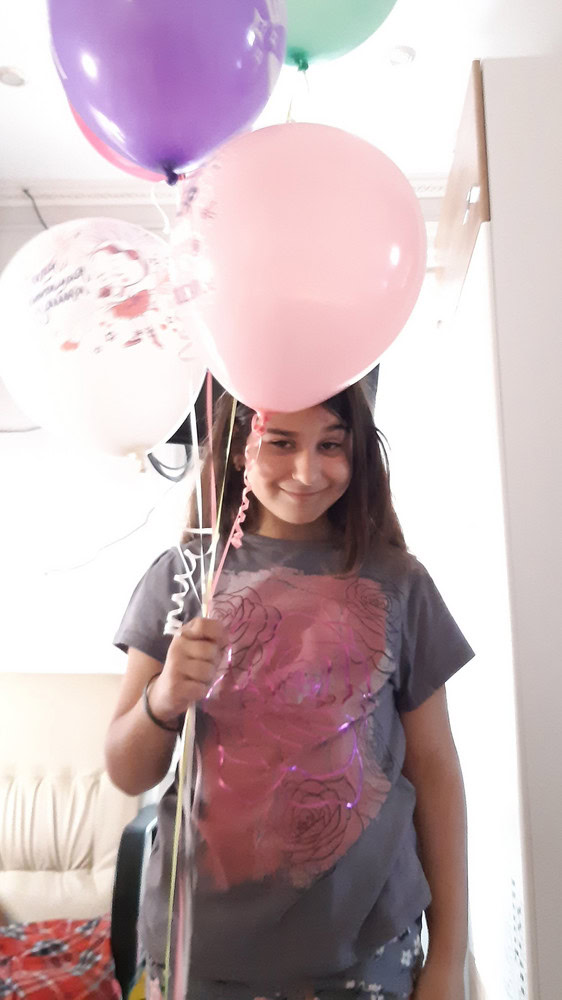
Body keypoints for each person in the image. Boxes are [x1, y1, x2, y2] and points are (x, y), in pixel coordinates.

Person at [106, 382, 474, 1000]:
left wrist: (449, 961)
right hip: (202, 953)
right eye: (281, 442)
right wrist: (163, 698)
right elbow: (127, 770)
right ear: (238, 448)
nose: (307, 471)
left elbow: (436, 770)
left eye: (331, 444)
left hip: (368, 953)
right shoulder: (183, 578)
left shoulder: (400, 583)